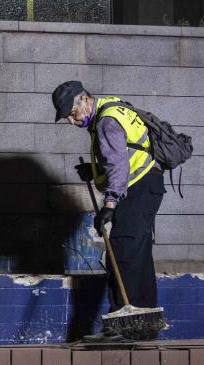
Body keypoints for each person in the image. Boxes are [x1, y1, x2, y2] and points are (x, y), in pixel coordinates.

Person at [52, 80, 165, 317]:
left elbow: (118, 164)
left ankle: (122, 319)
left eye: (73, 114)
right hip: (147, 186)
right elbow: (127, 152)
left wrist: (110, 204)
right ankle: (145, 317)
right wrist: (94, 172)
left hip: (137, 189)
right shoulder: (113, 106)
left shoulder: (105, 122)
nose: (73, 122)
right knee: (138, 255)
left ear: (84, 99)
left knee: (122, 252)